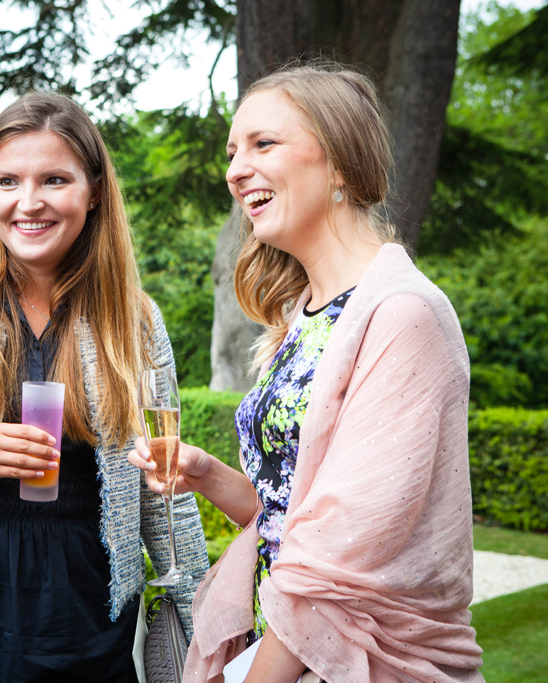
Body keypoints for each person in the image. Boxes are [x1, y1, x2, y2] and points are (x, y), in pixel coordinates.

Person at [129, 64, 485, 682]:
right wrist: (208, 474)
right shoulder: (305, 314)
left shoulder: (403, 314)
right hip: (289, 651)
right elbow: (288, 518)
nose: (235, 170)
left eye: (263, 144)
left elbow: (339, 558)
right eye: (233, 152)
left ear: (340, 163)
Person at [0, 92, 210, 682]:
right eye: (8, 181)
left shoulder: (133, 318)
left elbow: (163, 489)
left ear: (94, 191)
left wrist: (202, 618)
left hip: (93, 614)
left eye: (54, 179)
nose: (28, 203)